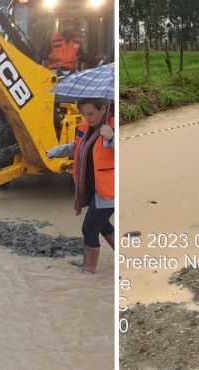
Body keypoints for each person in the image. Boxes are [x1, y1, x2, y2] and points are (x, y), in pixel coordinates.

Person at [46, 98, 114, 274]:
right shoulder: (85, 127)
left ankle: (88, 272)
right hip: (92, 188)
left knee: (89, 228)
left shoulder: (113, 127)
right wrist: (56, 151)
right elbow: (76, 146)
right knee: (103, 225)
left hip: (108, 192)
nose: (87, 118)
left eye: (90, 113)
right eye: (84, 113)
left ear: (103, 109)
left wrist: (112, 137)